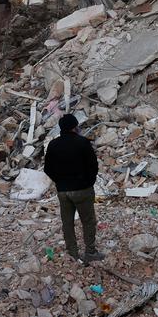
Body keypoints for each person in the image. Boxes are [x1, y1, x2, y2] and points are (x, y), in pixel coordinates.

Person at [43, 113, 102, 264]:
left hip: (63, 191)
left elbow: (48, 168)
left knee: (67, 222)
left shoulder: (53, 145)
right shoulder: (82, 143)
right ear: (75, 127)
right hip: (82, 189)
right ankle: (90, 252)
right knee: (88, 221)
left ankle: (73, 253)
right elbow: (93, 166)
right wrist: (89, 181)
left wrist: (59, 181)